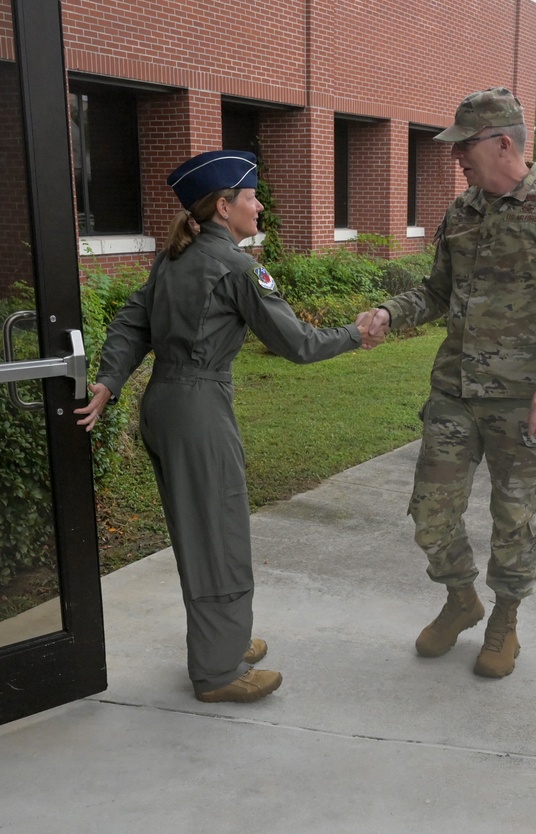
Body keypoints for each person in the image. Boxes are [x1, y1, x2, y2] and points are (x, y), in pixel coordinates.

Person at [75, 150, 376, 703]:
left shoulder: (173, 258)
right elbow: (296, 344)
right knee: (219, 534)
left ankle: (226, 641)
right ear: (223, 206)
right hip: (198, 408)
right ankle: (217, 672)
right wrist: (356, 333)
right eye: (251, 197)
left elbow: (131, 319)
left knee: (201, 532)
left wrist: (109, 380)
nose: (259, 206)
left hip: (165, 405)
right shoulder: (236, 268)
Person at [358, 87, 536, 680]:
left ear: (502, 143)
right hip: (455, 390)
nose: (455, 158)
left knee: (513, 516)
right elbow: (437, 291)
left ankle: (505, 620)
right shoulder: (462, 210)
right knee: (430, 513)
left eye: (463, 146)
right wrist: (391, 312)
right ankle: (462, 599)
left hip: (522, 397)